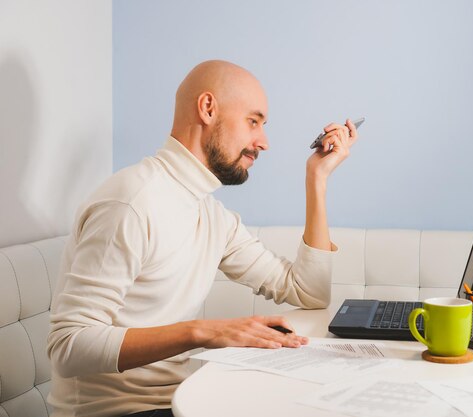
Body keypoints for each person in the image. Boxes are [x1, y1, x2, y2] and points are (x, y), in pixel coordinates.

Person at [46, 60, 358, 417]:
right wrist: (204, 332)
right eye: (253, 122)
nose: (264, 142)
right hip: (118, 411)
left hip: (183, 400)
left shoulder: (209, 215)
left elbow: (309, 292)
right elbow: (68, 346)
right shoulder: (131, 202)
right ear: (208, 108)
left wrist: (316, 179)